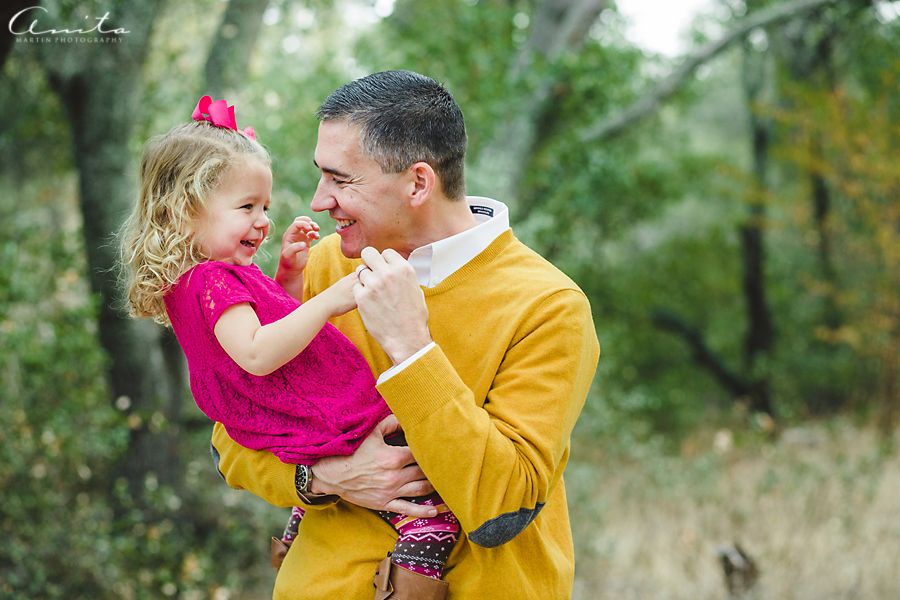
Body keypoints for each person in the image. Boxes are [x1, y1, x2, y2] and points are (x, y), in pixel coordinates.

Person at [210, 70, 601, 599]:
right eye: (322, 175)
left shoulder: (550, 307)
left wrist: (412, 349)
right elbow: (232, 438)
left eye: (340, 180)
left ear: (418, 183)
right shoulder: (324, 267)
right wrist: (324, 477)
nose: (320, 200)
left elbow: (503, 507)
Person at [118, 95, 461, 599]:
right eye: (246, 207)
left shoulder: (208, 278)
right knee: (428, 499)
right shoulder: (211, 281)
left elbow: (271, 326)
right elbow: (258, 354)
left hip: (282, 408)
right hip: (303, 407)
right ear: (185, 212)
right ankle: (414, 565)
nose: (262, 221)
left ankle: (303, 518)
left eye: (265, 207)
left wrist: (289, 276)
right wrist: (330, 300)